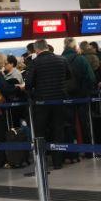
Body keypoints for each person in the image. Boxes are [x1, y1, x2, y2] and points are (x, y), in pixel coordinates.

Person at [24, 38, 72, 169]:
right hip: (60, 100)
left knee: (41, 131)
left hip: (42, 102)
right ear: (46, 46)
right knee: (58, 130)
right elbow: (69, 76)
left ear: (36, 49)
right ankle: (58, 162)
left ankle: (42, 161)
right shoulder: (62, 59)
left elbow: (28, 84)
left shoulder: (35, 63)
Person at [62, 37, 96, 151]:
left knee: (69, 123)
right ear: (74, 46)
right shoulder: (81, 59)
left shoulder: (60, 60)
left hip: (66, 96)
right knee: (84, 122)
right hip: (82, 95)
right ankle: (88, 150)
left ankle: (72, 153)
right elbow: (91, 77)